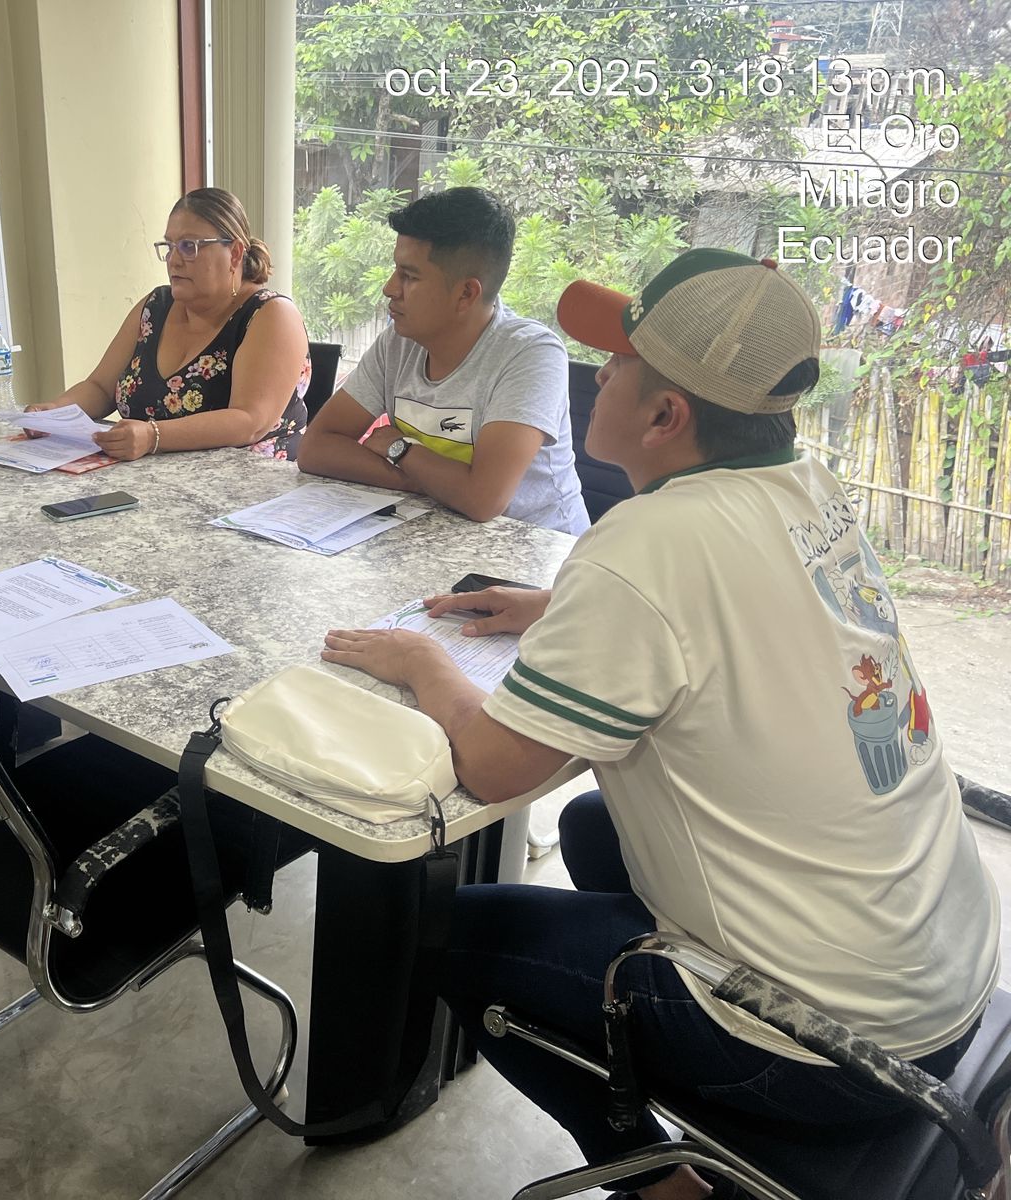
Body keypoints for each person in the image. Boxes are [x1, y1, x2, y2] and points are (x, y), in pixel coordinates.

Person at [320, 249, 998, 1200]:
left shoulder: (644, 544)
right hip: (940, 988)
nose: (597, 375)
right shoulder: (810, 487)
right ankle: (654, 1039)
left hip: (825, 1053)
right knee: (594, 825)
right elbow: (742, 610)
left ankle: (664, 1183)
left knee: (447, 935)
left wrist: (421, 661)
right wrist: (559, 608)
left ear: (665, 414)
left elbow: (496, 768)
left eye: (618, 361)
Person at [297, 187, 588, 535]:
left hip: (536, 551)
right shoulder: (399, 342)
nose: (390, 288)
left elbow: (482, 499)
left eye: (409, 276)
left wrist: (398, 448)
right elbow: (315, 448)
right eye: (395, 270)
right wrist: (422, 479)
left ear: (466, 293)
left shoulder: (531, 354)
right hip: (435, 532)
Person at [28, 187, 310, 461]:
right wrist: (54, 413)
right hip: (151, 480)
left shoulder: (270, 314)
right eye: (169, 246)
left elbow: (250, 422)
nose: (174, 260)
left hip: (248, 483)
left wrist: (153, 436)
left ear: (235, 253)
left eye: (189, 247)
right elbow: (100, 388)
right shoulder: (155, 306)